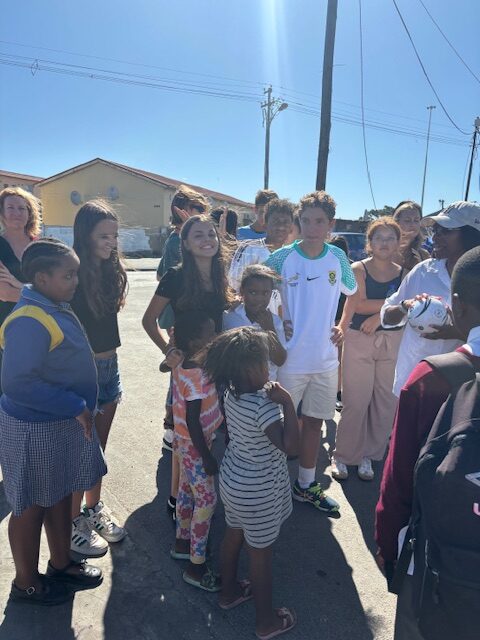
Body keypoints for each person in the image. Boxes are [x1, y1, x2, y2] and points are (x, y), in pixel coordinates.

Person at [375, 245, 480, 639]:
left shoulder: (431, 377)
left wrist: (388, 545)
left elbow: (399, 479)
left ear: (458, 306)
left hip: (436, 566)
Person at [0, 239, 106, 605]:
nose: (76, 281)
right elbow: (17, 384)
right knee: (31, 507)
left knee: (59, 494)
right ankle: (26, 583)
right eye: (68, 275)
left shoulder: (53, 304)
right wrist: (75, 405)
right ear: (42, 279)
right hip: (34, 428)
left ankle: (61, 564)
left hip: (57, 424)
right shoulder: (29, 320)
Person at [201, 327, 299, 639]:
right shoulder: (264, 406)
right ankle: (266, 622)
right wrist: (288, 403)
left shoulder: (231, 394)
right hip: (258, 490)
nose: (268, 368)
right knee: (260, 555)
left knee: (234, 535)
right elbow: (291, 446)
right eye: (264, 363)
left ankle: (228, 592)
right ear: (249, 369)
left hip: (234, 480)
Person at [265, 191, 357, 513]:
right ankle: (271, 486)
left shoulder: (338, 257)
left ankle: (305, 485)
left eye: (319, 221)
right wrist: (277, 319)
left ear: (330, 224)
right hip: (290, 359)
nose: (312, 227)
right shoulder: (282, 257)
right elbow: (256, 289)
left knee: (314, 423)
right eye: (305, 220)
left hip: (326, 360)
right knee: (278, 425)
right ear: (298, 222)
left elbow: (352, 292)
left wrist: (342, 325)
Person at [142, 214, 234, 518]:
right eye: (198, 235)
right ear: (186, 243)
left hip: (215, 363)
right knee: (184, 435)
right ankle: (175, 497)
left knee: (207, 430)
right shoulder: (176, 276)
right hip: (188, 368)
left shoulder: (221, 274)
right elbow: (148, 320)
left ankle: (194, 492)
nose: (207, 240)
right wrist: (169, 350)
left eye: (211, 234)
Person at [69, 200, 128, 557]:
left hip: (110, 367)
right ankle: (73, 521)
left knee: (98, 451)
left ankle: (93, 510)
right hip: (82, 370)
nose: (111, 242)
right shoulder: (71, 272)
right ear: (85, 235)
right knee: (82, 451)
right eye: (104, 236)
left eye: (114, 236)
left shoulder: (110, 270)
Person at [381, 201, 480, 397]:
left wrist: (457, 332)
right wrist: (404, 307)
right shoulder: (422, 271)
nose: (436, 236)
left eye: (446, 231)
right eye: (436, 230)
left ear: (472, 235)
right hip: (410, 384)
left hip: (458, 392)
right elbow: (386, 317)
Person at [331, 218, 403, 481]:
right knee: (356, 400)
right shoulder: (358, 268)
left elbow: (409, 305)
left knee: (384, 401)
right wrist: (397, 303)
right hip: (359, 339)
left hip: (394, 340)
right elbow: (358, 304)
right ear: (369, 243)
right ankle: (343, 455)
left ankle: (369, 455)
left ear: (398, 242)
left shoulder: (405, 272)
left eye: (390, 238)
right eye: (379, 238)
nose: (385, 243)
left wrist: (382, 314)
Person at [169, 311, 223, 591]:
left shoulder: (184, 363)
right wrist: (207, 457)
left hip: (184, 442)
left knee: (186, 491)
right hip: (196, 445)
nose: (215, 337)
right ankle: (196, 566)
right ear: (193, 342)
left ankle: (182, 542)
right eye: (209, 334)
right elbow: (193, 420)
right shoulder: (198, 377)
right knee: (207, 500)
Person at [156, 186, 210, 454]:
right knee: (180, 372)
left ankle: (200, 418)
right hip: (179, 321)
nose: (199, 215)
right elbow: (164, 277)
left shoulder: (205, 239)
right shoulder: (175, 242)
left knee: (197, 372)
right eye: (193, 211)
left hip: (200, 324)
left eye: (202, 211)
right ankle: (172, 425)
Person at [0, 187, 41, 391]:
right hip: (8, 327)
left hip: (41, 324)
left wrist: (18, 285)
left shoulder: (40, 246)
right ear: (2, 213)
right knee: (9, 386)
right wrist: (40, 295)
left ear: (29, 213)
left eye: (22, 208)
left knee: (37, 382)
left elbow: (55, 286)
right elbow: (4, 293)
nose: (16, 213)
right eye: (10, 208)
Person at [229, 198, 295, 314]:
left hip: (281, 322)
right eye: (275, 221)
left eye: (285, 222)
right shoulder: (249, 249)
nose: (281, 226)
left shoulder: (293, 256)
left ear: (291, 228)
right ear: (265, 224)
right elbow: (233, 286)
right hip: (248, 319)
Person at [223, 264, 287, 380]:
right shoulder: (230, 316)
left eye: (265, 293)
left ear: (271, 293)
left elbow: (280, 360)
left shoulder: (275, 321)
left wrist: (269, 329)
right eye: (253, 292)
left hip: (266, 385)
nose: (259, 298)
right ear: (242, 291)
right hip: (235, 384)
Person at [392, 201, 430, 272]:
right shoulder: (387, 251)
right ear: (397, 223)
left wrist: (421, 268)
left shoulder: (424, 255)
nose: (412, 224)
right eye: (407, 220)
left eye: (416, 220)